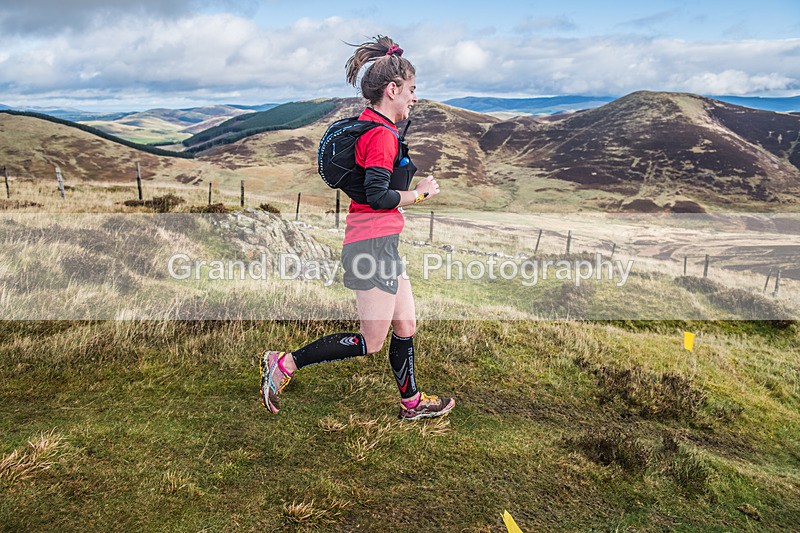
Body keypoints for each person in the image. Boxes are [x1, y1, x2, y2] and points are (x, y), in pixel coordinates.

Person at [260, 35, 455, 421]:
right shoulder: (381, 135)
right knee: (371, 341)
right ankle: (283, 364)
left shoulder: (371, 124)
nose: (415, 98)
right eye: (412, 90)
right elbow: (379, 196)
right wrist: (420, 194)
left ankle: (412, 403)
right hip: (371, 244)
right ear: (393, 89)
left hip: (381, 241)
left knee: (406, 323)